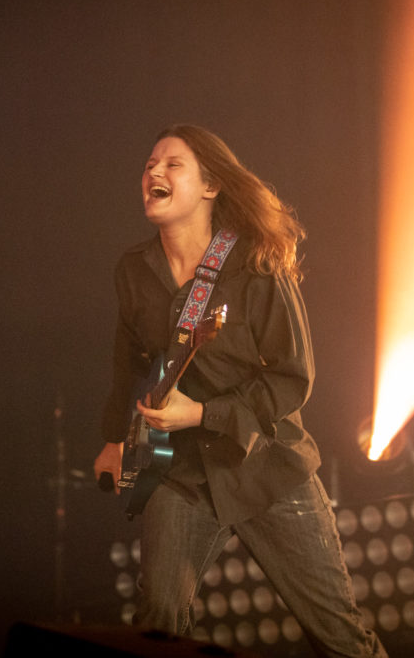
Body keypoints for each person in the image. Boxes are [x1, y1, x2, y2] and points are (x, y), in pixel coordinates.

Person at [93, 124, 387, 657]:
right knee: (156, 622)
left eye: (171, 164)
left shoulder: (255, 263)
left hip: (268, 470)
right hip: (180, 474)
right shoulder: (133, 271)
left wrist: (202, 414)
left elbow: (292, 380)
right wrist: (115, 439)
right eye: (149, 165)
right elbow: (128, 363)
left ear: (210, 187)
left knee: (339, 637)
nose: (153, 172)